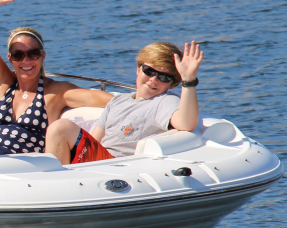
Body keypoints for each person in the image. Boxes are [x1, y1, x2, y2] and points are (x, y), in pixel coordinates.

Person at [0, 0, 114, 155]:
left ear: (42, 56)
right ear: (10, 59)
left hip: (24, 167)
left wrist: (140, 99)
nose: (26, 61)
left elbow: (100, 98)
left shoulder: (55, 92)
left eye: (33, 54)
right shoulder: (3, 84)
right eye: (18, 55)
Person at [46, 41, 204, 164]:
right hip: (97, 162)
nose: (153, 80)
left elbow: (186, 124)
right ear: (138, 69)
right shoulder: (118, 101)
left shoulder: (165, 102)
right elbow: (94, 141)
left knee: (61, 127)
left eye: (164, 77)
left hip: (119, 167)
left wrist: (188, 80)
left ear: (173, 84)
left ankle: (54, 184)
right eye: (149, 71)